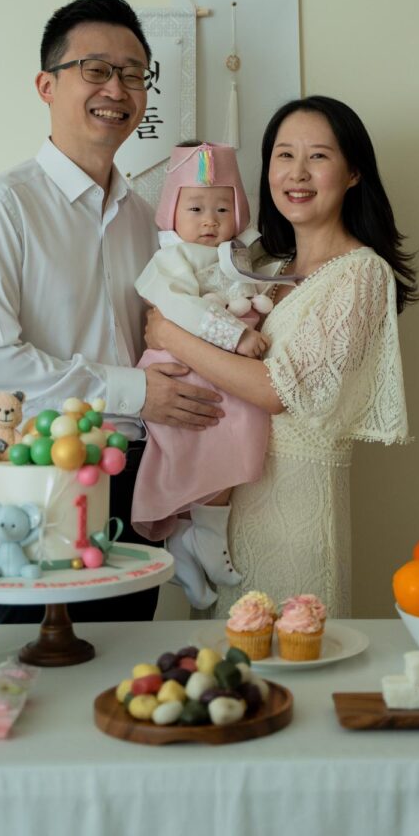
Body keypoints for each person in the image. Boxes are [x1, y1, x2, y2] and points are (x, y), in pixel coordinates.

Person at [0, 0, 223, 623]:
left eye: (133, 74)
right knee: (40, 658)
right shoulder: (3, 204)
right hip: (43, 473)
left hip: (140, 475)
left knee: (129, 658)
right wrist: (134, 391)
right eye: (96, 69)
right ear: (47, 86)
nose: (117, 89)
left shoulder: (146, 219)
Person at [144, 96, 418, 618]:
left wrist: (169, 334)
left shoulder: (362, 273)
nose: (297, 173)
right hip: (222, 512)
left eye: (318, 156)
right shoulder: (261, 266)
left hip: (294, 513)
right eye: (284, 155)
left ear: (354, 172)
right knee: (223, 661)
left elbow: (276, 391)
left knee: (296, 650)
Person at [131, 141, 274, 609]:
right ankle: (198, 537)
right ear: (172, 212)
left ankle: (192, 543)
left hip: (215, 367)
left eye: (222, 208)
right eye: (195, 208)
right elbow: (179, 309)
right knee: (216, 436)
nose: (210, 220)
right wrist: (236, 335)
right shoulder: (173, 259)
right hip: (183, 367)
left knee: (237, 433)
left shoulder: (239, 255)